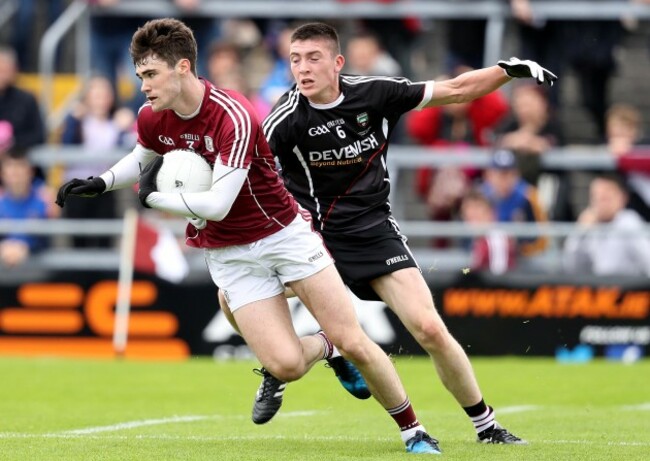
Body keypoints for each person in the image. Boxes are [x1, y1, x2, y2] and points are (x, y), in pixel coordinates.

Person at [54, 18, 442, 454]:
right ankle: (326, 349)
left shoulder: (232, 114)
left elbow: (219, 203)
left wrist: (154, 199)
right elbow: (142, 156)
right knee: (287, 365)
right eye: (140, 75)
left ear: (183, 67)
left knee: (356, 340)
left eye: (150, 74)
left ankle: (414, 432)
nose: (142, 86)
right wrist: (102, 181)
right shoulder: (151, 115)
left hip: (283, 235)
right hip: (229, 253)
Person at [220, 22, 556, 444]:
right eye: (295, 60)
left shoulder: (375, 92)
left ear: (337, 62)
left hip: (373, 232)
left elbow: (457, 90)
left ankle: (486, 427)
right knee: (230, 297)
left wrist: (507, 71)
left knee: (430, 329)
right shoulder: (284, 120)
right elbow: (244, 174)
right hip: (310, 240)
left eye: (313, 58)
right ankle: (294, 358)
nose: (302, 68)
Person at [60, 75, 136, 248]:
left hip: (104, 188)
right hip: (78, 187)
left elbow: (127, 149)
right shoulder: (78, 122)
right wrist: (73, 119)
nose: (101, 100)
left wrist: (125, 128)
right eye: (96, 95)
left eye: (105, 94)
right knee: (78, 241)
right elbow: (66, 146)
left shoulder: (115, 125)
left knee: (104, 240)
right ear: (87, 97)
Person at [563, 173, 650, 276]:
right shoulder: (590, 225)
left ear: (622, 198)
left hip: (627, 283)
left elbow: (648, 260)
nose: (601, 203)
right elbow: (572, 268)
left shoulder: (628, 222)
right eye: (596, 197)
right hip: (597, 284)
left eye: (605, 198)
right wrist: (579, 232)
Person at [479, 149, 549, 260]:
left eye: (509, 174)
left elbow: (542, 238)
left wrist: (518, 244)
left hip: (521, 259)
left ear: (517, 174)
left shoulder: (528, 196)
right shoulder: (479, 197)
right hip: (485, 256)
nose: (505, 179)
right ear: (489, 175)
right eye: (500, 174)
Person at [0, 150, 57, 267]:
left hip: (39, 268)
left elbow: (48, 239)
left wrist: (25, 247)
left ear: (30, 172)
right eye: (10, 167)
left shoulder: (45, 198)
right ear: (2, 173)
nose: (15, 172)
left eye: (20, 166)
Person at [460, 188, 516, 275]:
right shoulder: (470, 240)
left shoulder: (497, 240)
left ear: (491, 213)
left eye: (477, 207)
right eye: (468, 207)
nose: (471, 212)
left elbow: (496, 277)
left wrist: (461, 271)